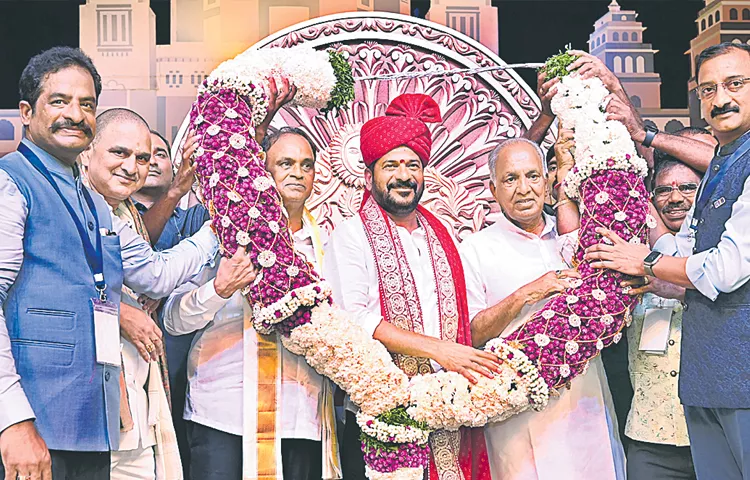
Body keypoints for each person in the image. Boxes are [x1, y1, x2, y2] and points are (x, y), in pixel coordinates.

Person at [0, 47, 217, 480]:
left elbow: (153, 275)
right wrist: (12, 419)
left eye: (86, 104)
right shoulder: (11, 182)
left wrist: (229, 219)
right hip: (33, 425)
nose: (74, 115)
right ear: (26, 112)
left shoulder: (93, 202)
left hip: (89, 423)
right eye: (59, 101)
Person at [585, 42, 750, 480]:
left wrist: (646, 264)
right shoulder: (723, 162)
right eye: (709, 89)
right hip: (705, 382)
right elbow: (683, 249)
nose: (722, 98)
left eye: (736, 84)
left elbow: (723, 270)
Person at [323, 93, 496, 480]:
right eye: (391, 165)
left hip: (451, 404)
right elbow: (356, 321)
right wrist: (442, 351)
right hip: (384, 410)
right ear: (369, 176)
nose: (403, 175)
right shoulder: (351, 235)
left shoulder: (443, 235)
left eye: (412, 165)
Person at [162, 103, 340, 479]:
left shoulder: (327, 247)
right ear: (261, 170)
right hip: (222, 413)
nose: (297, 173)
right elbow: (173, 319)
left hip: (300, 418)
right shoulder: (226, 233)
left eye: (306, 165)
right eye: (285, 163)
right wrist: (219, 288)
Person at [459, 137, 625, 479]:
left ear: (547, 181)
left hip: (584, 400)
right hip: (518, 416)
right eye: (510, 179)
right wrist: (526, 294)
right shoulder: (474, 248)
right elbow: (471, 332)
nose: (524, 189)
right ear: (493, 189)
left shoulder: (573, 235)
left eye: (532, 176)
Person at [80, 108, 186, 480]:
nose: (132, 166)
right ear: (88, 152)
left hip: (138, 398)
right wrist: (229, 223)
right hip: (91, 408)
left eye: (142, 158)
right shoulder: (78, 206)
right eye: (119, 153)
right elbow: (155, 277)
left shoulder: (123, 210)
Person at [618, 153, 704, 480]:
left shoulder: (724, 255)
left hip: (712, 433)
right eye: (663, 191)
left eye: (687, 187)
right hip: (648, 438)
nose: (676, 198)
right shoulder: (628, 255)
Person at [131, 129, 210, 477]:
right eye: (141, 154)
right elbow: (139, 253)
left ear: (176, 164)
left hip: (180, 346)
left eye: (159, 154)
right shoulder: (113, 210)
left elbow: (230, 213)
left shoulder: (192, 218)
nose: (149, 162)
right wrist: (177, 189)